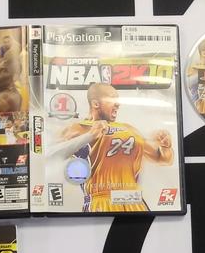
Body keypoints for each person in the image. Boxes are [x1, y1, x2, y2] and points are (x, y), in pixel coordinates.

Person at [55, 82, 173, 212]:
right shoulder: (78, 128)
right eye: (112, 99)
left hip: (133, 199)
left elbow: (163, 159)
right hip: (101, 201)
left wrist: (165, 146)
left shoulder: (129, 128)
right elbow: (51, 156)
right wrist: (89, 136)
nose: (118, 104)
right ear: (96, 104)